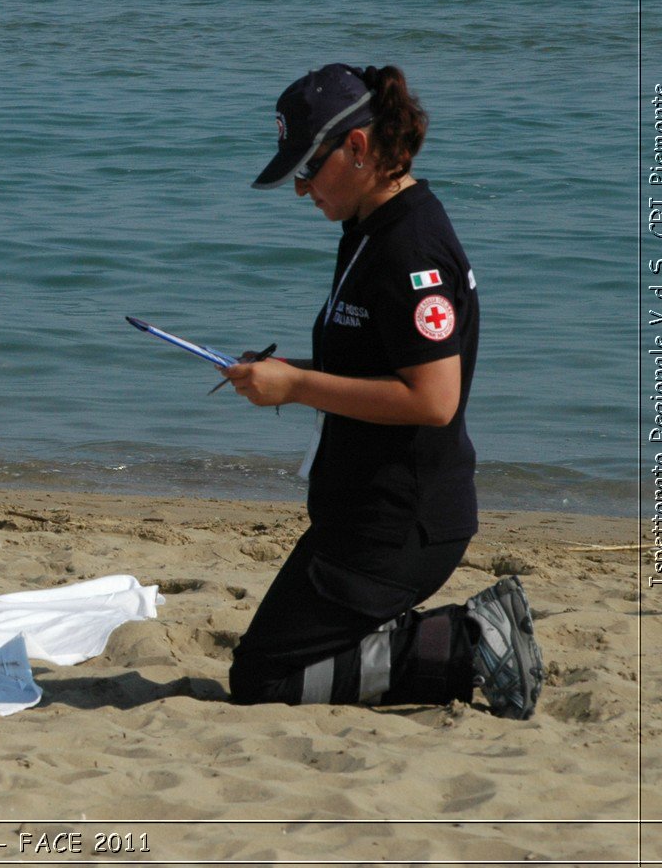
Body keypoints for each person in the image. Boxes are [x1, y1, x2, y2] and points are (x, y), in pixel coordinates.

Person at [221, 63, 542, 719]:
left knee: (263, 682)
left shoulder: (412, 247)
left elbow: (433, 399)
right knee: (268, 664)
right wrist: (278, 377)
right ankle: (439, 639)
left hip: (400, 525)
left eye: (308, 170)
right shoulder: (368, 228)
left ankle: (470, 639)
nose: (302, 190)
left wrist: (299, 385)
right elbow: (374, 361)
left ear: (360, 148)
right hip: (359, 513)